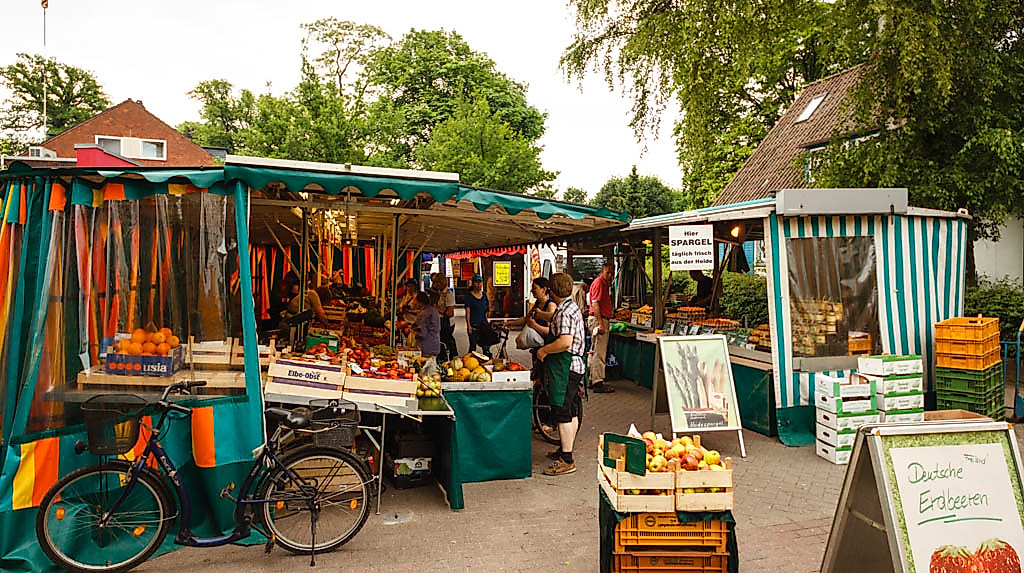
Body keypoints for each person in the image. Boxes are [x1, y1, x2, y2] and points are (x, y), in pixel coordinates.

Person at [537, 272, 586, 476]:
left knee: (562, 411)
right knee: (571, 410)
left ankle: (567, 460)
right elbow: (554, 318)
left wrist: (544, 350)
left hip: (566, 367)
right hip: (574, 366)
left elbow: (565, 342)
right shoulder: (569, 307)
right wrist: (539, 316)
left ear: (552, 291)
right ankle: (565, 448)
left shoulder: (564, 312)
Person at [587, 262, 616, 393]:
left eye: (611, 273)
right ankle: (597, 382)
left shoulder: (604, 284)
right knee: (599, 352)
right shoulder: (599, 283)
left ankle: (592, 378)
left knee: (594, 351)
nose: (610, 275)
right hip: (599, 319)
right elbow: (595, 304)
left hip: (599, 319)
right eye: (607, 272)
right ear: (602, 271)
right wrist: (600, 323)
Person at [430, 272, 458, 361]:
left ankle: (453, 356)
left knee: (447, 339)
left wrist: (438, 309)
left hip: (447, 323)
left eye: (436, 282)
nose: (435, 284)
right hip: (440, 321)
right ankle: (443, 357)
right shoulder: (440, 293)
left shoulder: (448, 294)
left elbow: (450, 313)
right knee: (441, 340)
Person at [464, 274, 491, 356]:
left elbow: (486, 309)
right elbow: (467, 312)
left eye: (480, 282)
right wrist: (468, 325)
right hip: (474, 325)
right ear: (473, 283)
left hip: (483, 324)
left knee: (486, 347)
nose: (479, 284)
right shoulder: (469, 297)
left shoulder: (484, 295)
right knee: (473, 346)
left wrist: (488, 320)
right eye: (476, 282)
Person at [412, 291, 441, 359]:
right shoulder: (433, 310)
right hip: (435, 345)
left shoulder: (424, 314)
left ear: (420, 302)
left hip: (426, 347)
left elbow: (422, 333)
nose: (413, 302)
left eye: (414, 300)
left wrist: (413, 331)